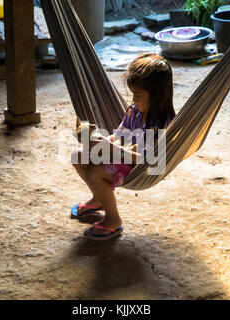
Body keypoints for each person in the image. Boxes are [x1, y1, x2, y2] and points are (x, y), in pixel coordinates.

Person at [70, 53, 176, 241]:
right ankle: (98, 199)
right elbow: (120, 135)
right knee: (78, 157)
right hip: (127, 155)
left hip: (144, 168)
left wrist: (113, 150)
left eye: (137, 95)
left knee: (94, 173)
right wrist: (98, 140)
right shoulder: (134, 111)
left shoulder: (159, 122)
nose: (133, 99)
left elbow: (149, 159)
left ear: (157, 95)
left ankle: (113, 220)